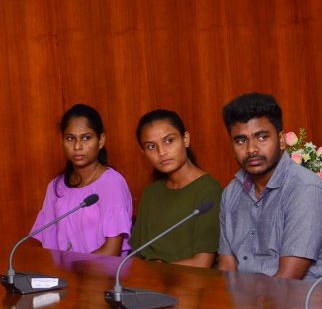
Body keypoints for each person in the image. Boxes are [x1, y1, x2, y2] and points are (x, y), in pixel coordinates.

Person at [217, 93, 322, 281]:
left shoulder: (306, 190)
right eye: (241, 140)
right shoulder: (231, 193)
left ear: (281, 140)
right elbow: (227, 270)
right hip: (246, 298)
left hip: (301, 298)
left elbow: (287, 280)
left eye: (262, 137)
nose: (251, 149)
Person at [31, 104, 132, 256]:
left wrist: (75, 267)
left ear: (101, 140)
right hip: (62, 270)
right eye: (70, 138)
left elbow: (112, 251)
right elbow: (48, 245)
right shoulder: (56, 187)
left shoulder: (111, 183)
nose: (77, 146)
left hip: (103, 271)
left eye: (86, 138)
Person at [131, 109, 223, 268]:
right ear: (143, 152)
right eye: (151, 146)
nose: (161, 152)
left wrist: (159, 271)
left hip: (188, 280)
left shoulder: (209, 189)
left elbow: (202, 263)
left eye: (169, 141)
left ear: (185, 139)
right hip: (148, 279)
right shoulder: (151, 192)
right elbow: (136, 256)